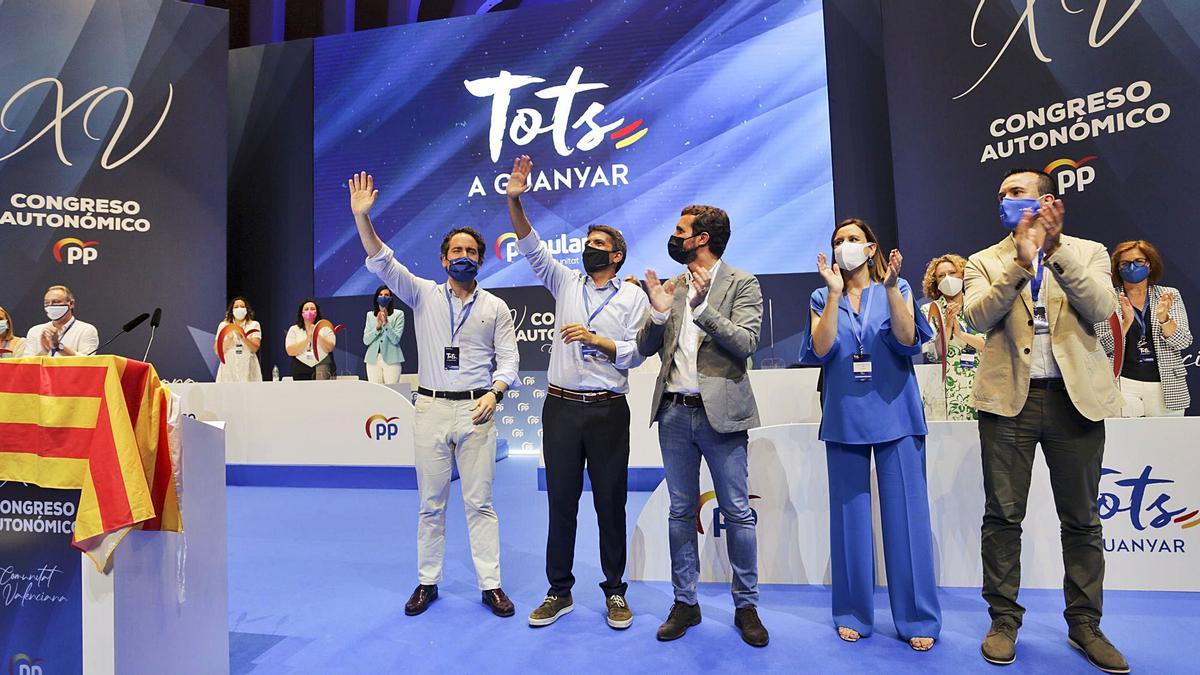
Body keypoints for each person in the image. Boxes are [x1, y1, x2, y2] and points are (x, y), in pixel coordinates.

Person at [964, 168, 1127, 673]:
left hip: (1073, 400)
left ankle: (1085, 624)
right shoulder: (983, 260)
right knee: (1003, 516)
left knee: (1081, 519)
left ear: (1044, 200)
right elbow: (976, 316)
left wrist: (1054, 252)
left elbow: (1101, 308)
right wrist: (1019, 264)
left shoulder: (1089, 251)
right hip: (1008, 400)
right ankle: (1004, 620)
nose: (1006, 200)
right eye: (1001, 195)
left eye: (1016, 193)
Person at [349, 171, 519, 619]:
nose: (463, 256)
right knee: (430, 503)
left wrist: (497, 393)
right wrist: (362, 218)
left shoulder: (495, 307)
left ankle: (491, 585)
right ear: (443, 260)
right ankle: (428, 582)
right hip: (429, 409)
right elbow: (383, 261)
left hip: (478, 411)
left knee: (480, 503)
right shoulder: (422, 293)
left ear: (481, 260)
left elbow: (509, 362)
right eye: (456, 251)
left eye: (471, 251)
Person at [505, 156, 649, 630]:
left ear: (617, 256)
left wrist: (596, 341)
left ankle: (614, 591)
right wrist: (515, 198)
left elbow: (634, 353)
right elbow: (528, 244)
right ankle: (558, 591)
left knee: (611, 502)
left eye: (599, 245)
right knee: (561, 501)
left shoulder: (633, 296)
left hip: (608, 411)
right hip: (561, 409)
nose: (590, 249)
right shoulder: (565, 280)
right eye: (587, 243)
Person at [801, 218, 941, 651]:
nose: (845, 246)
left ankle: (917, 616)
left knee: (907, 518)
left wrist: (894, 285)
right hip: (845, 415)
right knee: (849, 521)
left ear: (871, 247)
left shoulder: (894, 290)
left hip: (896, 413)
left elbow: (906, 339)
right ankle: (852, 613)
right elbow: (821, 349)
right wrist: (836, 295)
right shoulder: (822, 295)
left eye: (853, 239)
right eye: (838, 240)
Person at [636, 204, 769, 647]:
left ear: (702, 239)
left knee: (736, 511)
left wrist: (701, 308)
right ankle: (685, 601)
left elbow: (746, 343)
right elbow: (643, 346)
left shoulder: (741, 283)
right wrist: (657, 313)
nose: (674, 238)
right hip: (674, 411)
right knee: (679, 511)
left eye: (680, 231)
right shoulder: (670, 286)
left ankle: (746, 606)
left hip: (723, 415)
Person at [1094, 240, 1191, 417]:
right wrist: (1125, 323)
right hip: (1122, 383)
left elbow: (1183, 341)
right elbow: (1101, 347)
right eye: (1125, 263)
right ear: (1117, 268)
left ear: (1150, 265)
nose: (1132, 267)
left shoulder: (1169, 295)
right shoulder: (1107, 298)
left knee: (1167, 441)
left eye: (1138, 261)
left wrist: (1164, 319)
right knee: (1125, 441)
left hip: (1166, 385)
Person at [921, 254, 987, 420]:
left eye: (952, 273)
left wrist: (961, 334)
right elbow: (934, 354)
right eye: (941, 276)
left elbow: (989, 346)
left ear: (963, 275)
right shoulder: (929, 311)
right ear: (935, 282)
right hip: (946, 391)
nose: (947, 279)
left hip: (980, 386)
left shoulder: (979, 307)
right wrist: (948, 327)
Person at [23, 285, 99, 357]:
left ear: (71, 304)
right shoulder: (35, 331)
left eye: (56, 301)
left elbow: (87, 362)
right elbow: (27, 364)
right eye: (46, 303)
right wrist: (45, 351)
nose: (50, 306)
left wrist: (58, 346)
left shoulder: (86, 330)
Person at [363, 284, 406, 384]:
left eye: (386, 295)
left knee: (392, 392)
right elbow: (366, 340)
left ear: (390, 298)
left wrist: (386, 323)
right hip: (373, 360)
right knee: (375, 392)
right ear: (376, 298)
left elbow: (395, 339)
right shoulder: (370, 315)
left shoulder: (398, 314)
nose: (383, 297)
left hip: (392, 360)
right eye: (381, 295)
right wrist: (377, 327)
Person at [285, 299, 336, 380]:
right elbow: (290, 351)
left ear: (317, 312)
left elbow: (330, 347)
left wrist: (316, 334)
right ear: (301, 313)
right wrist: (307, 339)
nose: (309, 311)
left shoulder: (325, 327)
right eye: (306, 309)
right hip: (300, 368)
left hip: (322, 366)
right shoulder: (294, 329)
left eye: (312, 309)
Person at [215, 297, 263, 382]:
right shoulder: (223, 325)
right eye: (236, 307)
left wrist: (243, 337)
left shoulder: (254, 325)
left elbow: (255, 348)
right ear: (232, 310)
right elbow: (217, 351)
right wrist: (229, 339)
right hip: (228, 369)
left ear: (246, 310)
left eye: (242, 306)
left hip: (248, 367)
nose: (239, 309)